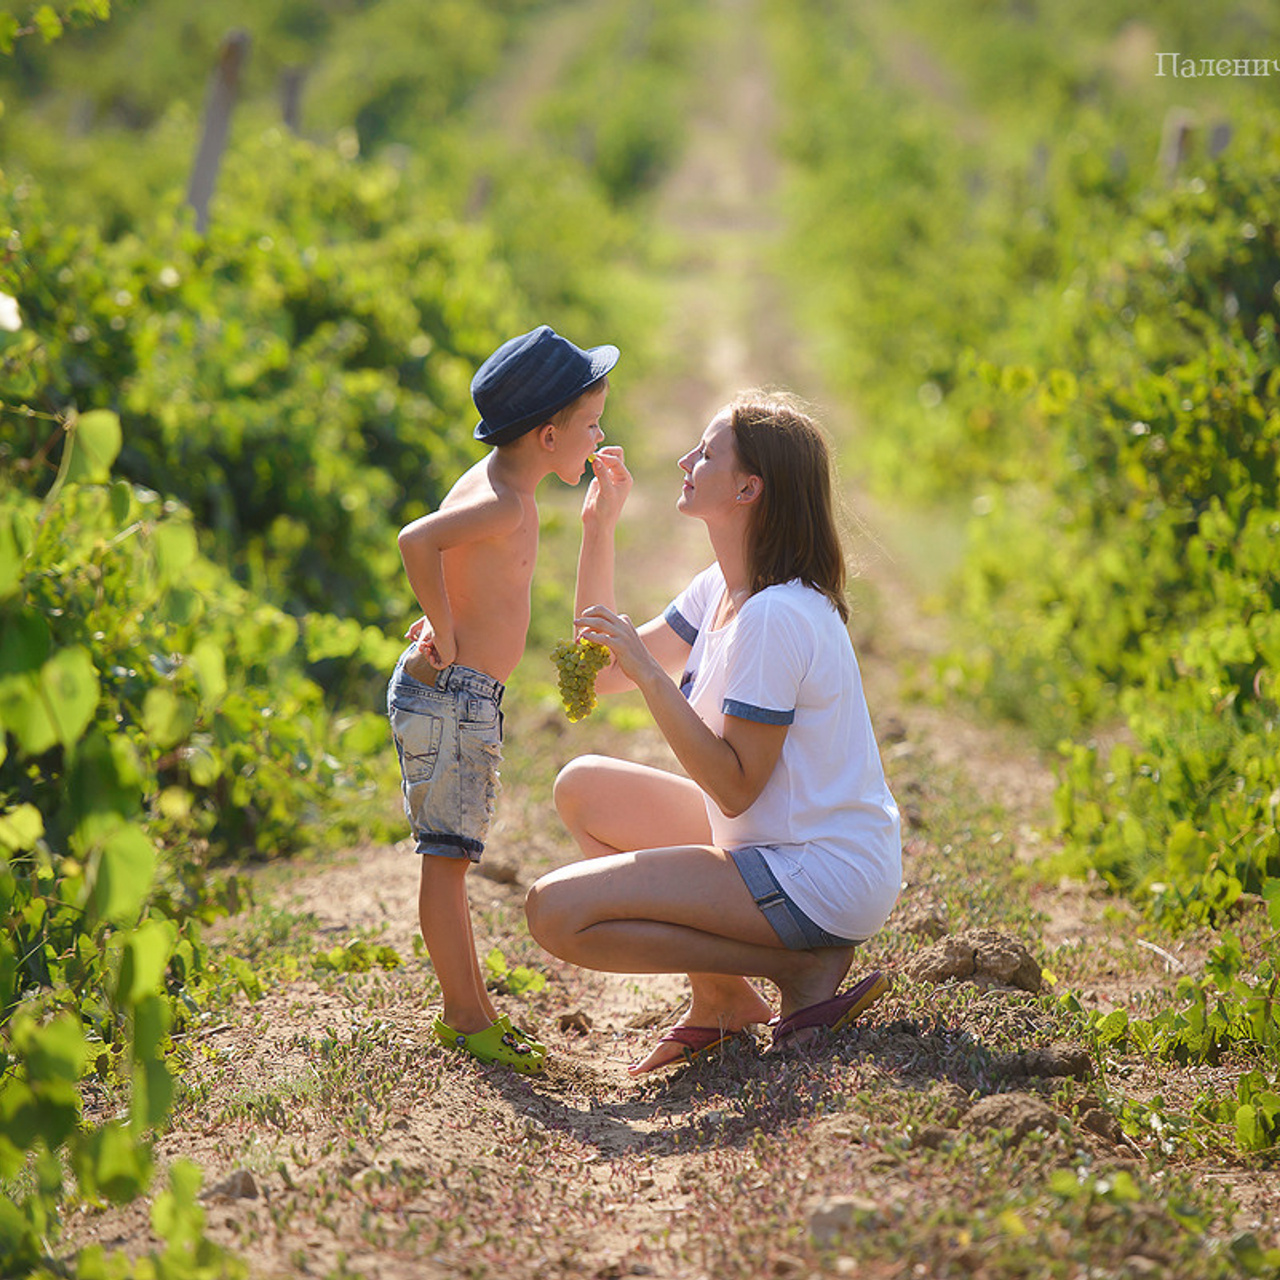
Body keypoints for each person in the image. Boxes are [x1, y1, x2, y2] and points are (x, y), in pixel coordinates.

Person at [524, 390, 901, 1074]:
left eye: (706, 453)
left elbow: (732, 787)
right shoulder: (720, 590)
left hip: (817, 875)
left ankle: (801, 964)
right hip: (769, 848)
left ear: (749, 488)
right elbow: (596, 671)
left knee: (555, 912)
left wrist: (654, 678)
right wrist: (598, 528)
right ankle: (723, 1001)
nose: (684, 460)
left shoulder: (777, 617)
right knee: (583, 788)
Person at [389, 324, 626, 1074]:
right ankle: (464, 1017)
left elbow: (447, 557)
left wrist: (444, 611)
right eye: (590, 425)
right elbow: (416, 540)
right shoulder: (502, 503)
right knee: (446, 860)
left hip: (464, 696)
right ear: (549, 433)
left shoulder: (499, 486)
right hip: (454, 694)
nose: (598, 436)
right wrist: (448, 635)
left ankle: (477, 1012)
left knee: (451, 857)